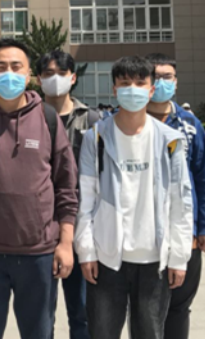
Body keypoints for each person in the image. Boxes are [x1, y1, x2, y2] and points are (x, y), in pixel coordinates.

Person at [0, 38, 79, 339]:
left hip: (38, 252)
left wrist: (65, 243)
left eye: (15, 66)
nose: (8, 73)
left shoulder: (48, 118)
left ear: (28, 74)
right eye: (0, 67)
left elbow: (66, 186)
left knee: (39, 333)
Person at [75, 56, 194, 339]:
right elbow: (86, 199)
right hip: (107, 259)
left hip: (154, 261)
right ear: (114, 90)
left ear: (151, 90)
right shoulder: (95, 137)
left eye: (140, 83)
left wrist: (179, 257)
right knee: (102, 333)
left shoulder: (170, 139)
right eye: (125, 83)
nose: (133, 89)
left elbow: (181, 202)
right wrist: (86, 251)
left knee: (150, 333)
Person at [145, 53, 205, 339]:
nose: (161, 82)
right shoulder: (127, 121)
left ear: (176, 82)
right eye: (155, 77)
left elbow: (204, 177)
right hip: (141, 234)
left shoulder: (189, 124)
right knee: (143, 308)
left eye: (168, 77)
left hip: (184, 233)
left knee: (178, 306)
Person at [36, 51, 100, 339]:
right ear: (39, 79)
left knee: (83, 312)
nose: (55, 79)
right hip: (41, 229)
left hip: (82, 226)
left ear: (73, 78)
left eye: (61, 73)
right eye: (48, 74)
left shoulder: (92, 120)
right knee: (40, 315)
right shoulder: (30, 118)